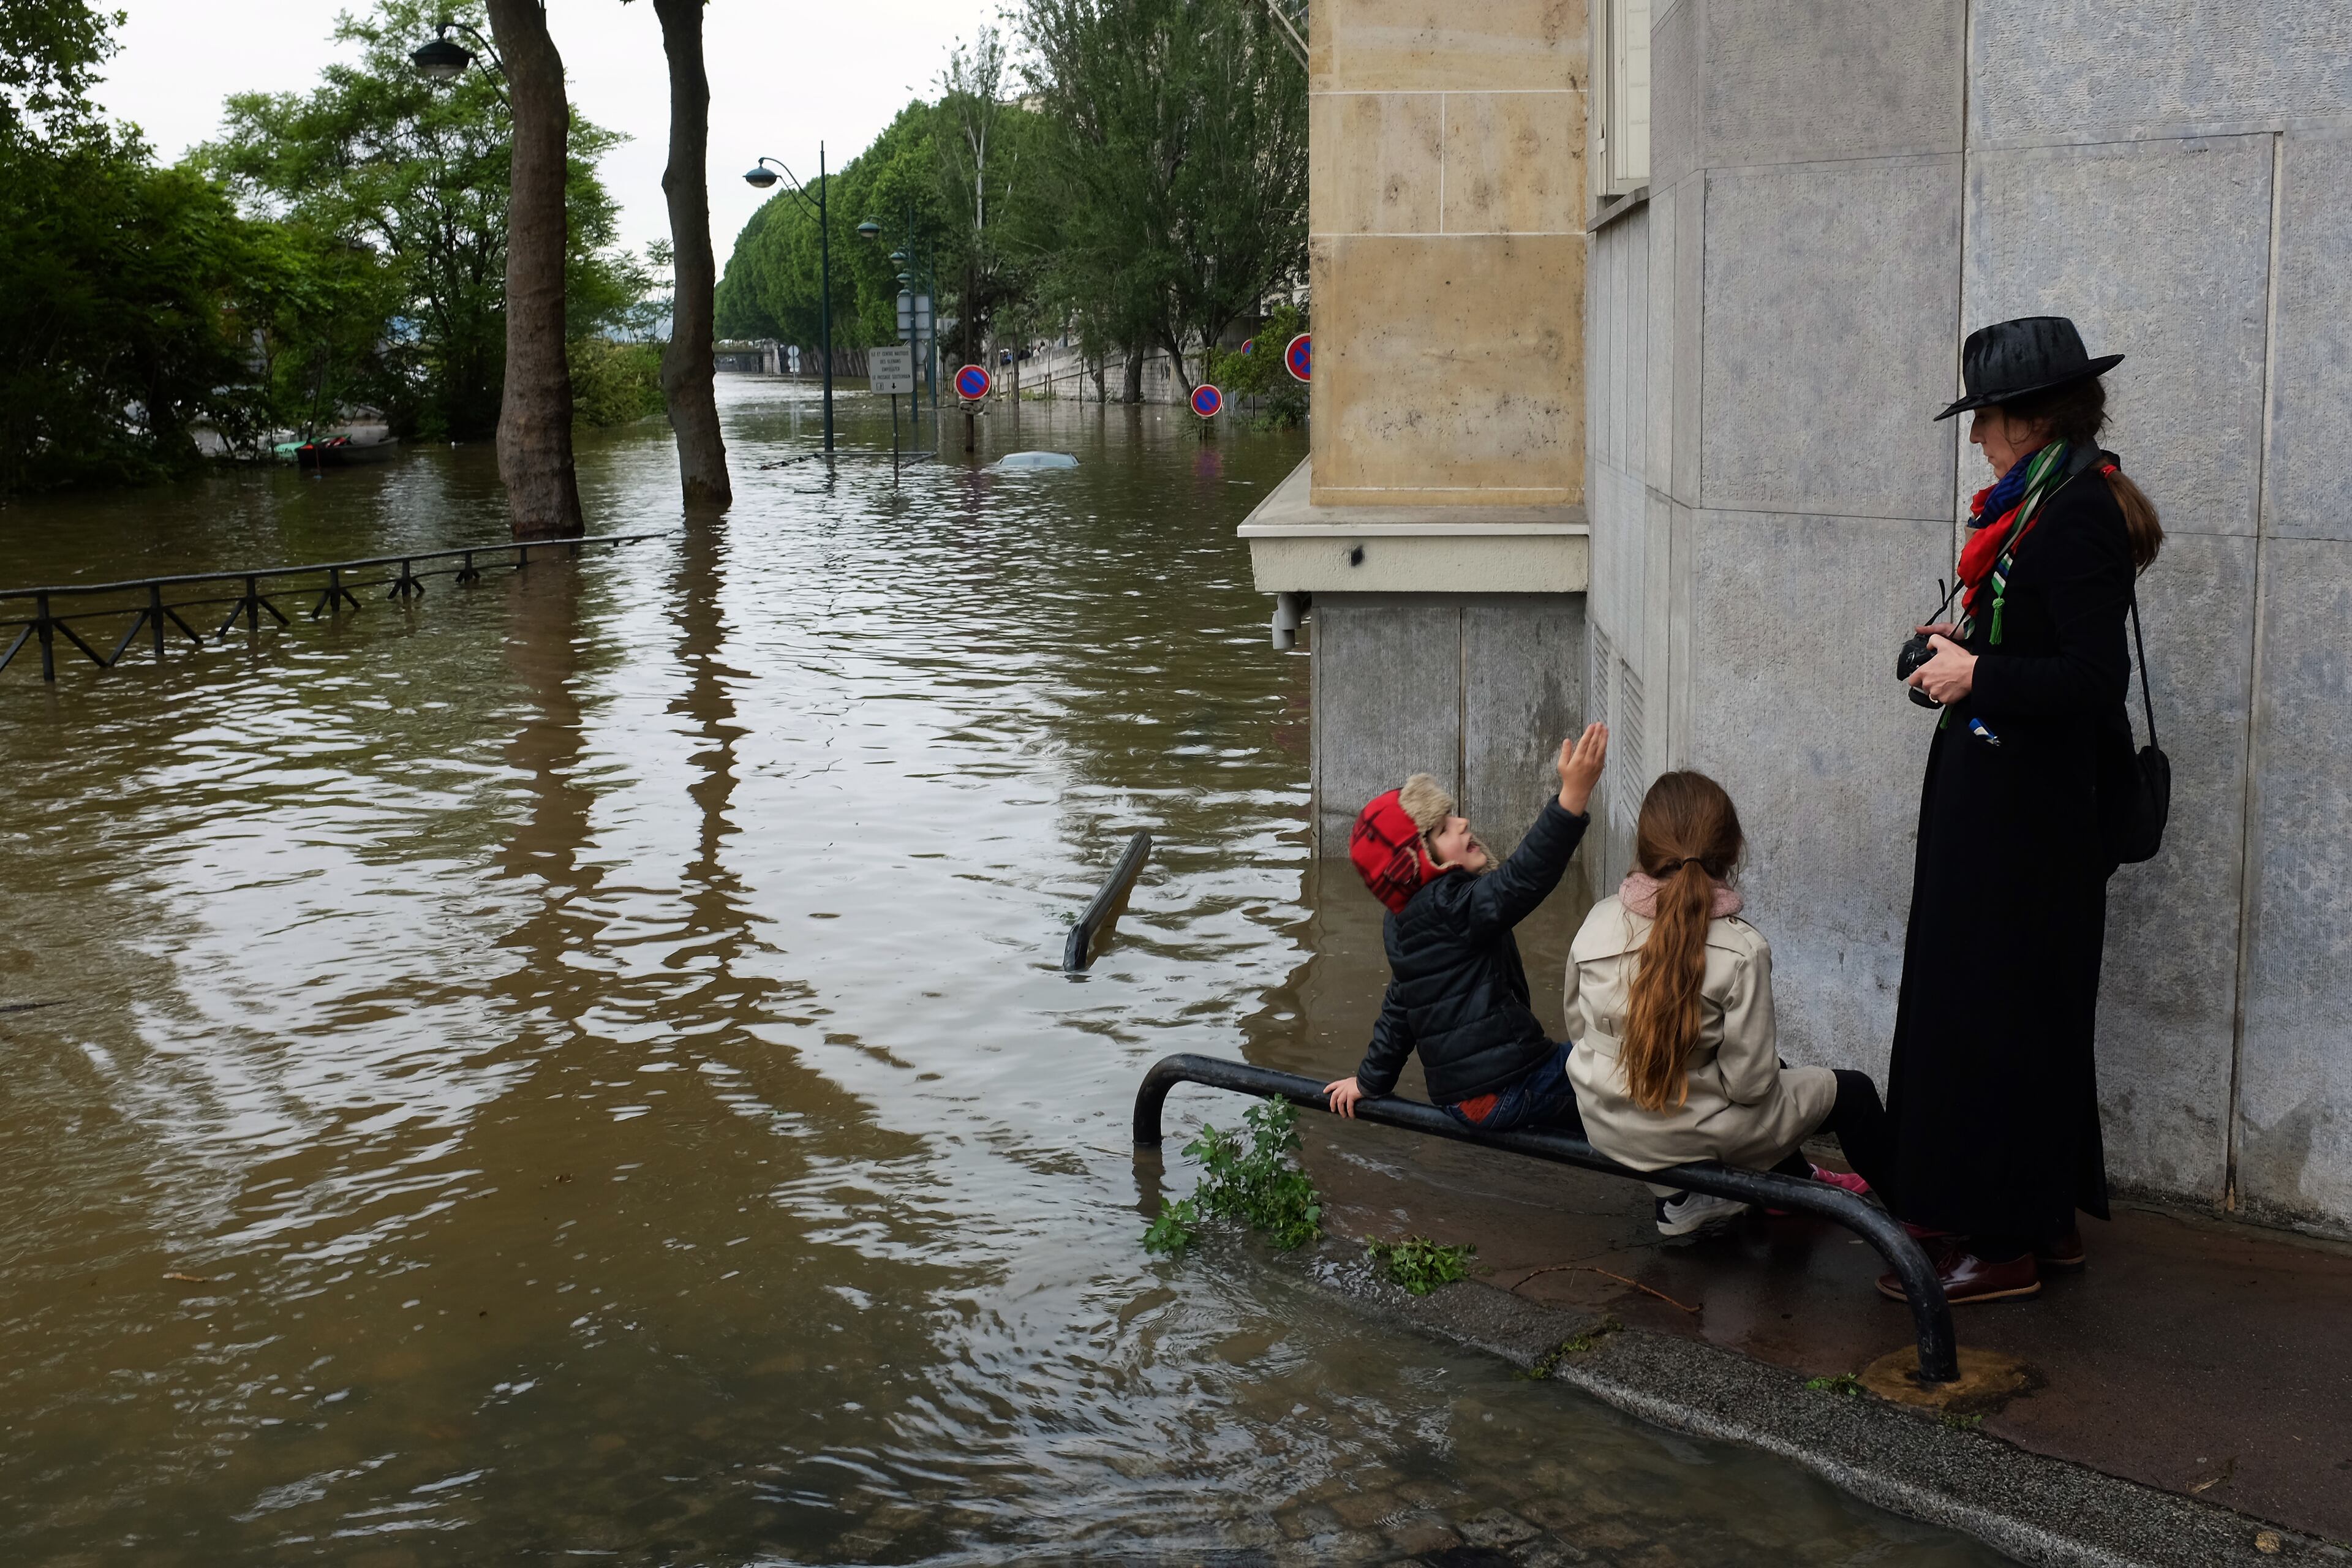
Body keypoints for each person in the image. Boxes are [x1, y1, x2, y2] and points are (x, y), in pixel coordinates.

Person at [1887, 315, 2165, 1304]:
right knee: (1989, 1012)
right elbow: (2028, 645)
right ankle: (2037, 1224)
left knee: (2005, 1020)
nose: (1976, 438)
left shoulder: (2077, 512)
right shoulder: (2033, 505)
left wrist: (1981, 677)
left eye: (1987, 419)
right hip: (1998, 810)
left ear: (2031, 420)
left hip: (2033, 829)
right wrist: (1952, 657)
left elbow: (2093, 683)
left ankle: (1999, 1242)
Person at [1564, 772, 1894, 1237]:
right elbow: (1749, 1087)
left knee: (1772, 1066)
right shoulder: (1743, 950)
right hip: (1680, 1134)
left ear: (1645, 847)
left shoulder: (1597, 920)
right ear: (1732, 852)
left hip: (1603, 1122)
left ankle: (1779, 1189)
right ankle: (1918, 1218)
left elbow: (1579, 1031)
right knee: (1852, 1092)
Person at [1322, 723, 1608, 1135]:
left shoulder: (1405, 921)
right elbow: (1523, 879)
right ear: (1414, 865)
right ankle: (1687, 1195)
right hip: (1503, 1087)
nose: (1461, 824)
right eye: (1441, 829)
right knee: (1630, 1084)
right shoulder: (1447, 908)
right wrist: (1573, 796)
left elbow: (1402, 1007)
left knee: (1603, 1087)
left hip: (1472, 1095)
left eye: (1451, 816)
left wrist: (1370, 1081)